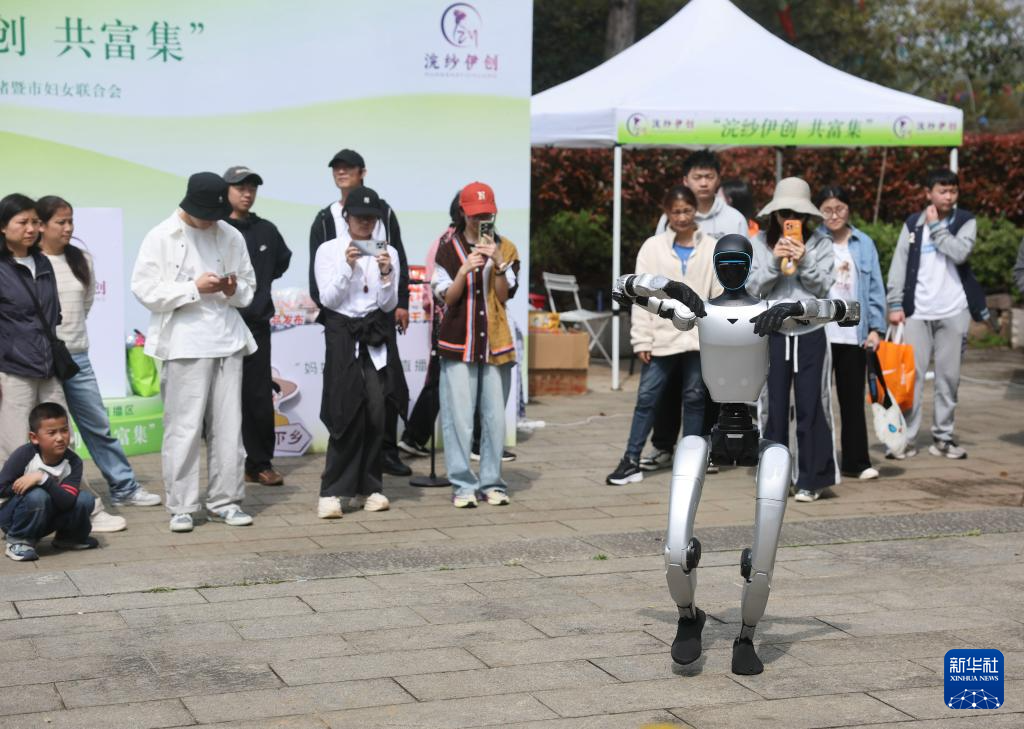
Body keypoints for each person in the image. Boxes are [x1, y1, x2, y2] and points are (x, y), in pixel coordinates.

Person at [131, 172, 258, 533]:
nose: (211, 222)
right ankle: (182, 505)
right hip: (184, 342)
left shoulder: (231, 235)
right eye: (205, 215)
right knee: (183, 428)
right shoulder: (161, 235)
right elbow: (144, 290)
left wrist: (232, 289)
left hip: (227, 339)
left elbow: (248, 287)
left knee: (229, 428)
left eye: (216, 215)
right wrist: (192, 288)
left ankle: (225, 501)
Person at [0, 194, 125, 533]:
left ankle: (86, 509)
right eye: (22, 222)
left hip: (48, 367)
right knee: (16, 446)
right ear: (3, 227)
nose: (31, 229)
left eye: (34, 222)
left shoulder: (42, 263)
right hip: (12, 370)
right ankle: (18, 518)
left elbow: (54, 316)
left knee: (60, 441)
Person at [36, 196, 163, 508]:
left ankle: (124, 487)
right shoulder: (30, 263)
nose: (68, 228)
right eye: (60, 222)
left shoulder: (81, 260)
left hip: (77, 356)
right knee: (53, 432)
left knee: (98, 425)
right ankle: (61, 495)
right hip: (41, 360)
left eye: (70, 221)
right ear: (42, 225)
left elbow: (87, 303)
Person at [607, 186, 722, 485]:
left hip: (698, 338)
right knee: (647, 398)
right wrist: (641, 339)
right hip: (660, 338)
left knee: (695, 398)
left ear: (695, 210)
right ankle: (630, 459)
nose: (682, 217)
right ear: (666, 212)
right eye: (676, 212)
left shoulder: (712, 247)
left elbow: (718, 295)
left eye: (687, 210)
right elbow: (639, 295)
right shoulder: (652, 247)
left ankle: (691, 460)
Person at [309, 149, 411, 477]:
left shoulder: (385, 220)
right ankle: (341, 474)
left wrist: (399, 295)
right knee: (342, 398)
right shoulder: (325, 222)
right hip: (341, 319)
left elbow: (397, 258)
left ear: (362, 172)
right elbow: (321, 282)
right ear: (346, 218)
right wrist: (330, 305)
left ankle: (385, 455)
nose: (342, 173)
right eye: (336, 168)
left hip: (378, 319)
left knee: (383, 393)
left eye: (348, 168)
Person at [646, 150, 748, 472]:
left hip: (715, 316)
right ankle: (663, 446)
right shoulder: (672, 215)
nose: (703, 183)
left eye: (709, 177)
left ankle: (704, 448)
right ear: (686, 180)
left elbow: (748, 265)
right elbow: (659, 261)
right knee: (668, 386)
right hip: (671, 319)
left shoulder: (734, 219)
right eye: (697, 177)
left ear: (718, 180)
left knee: (707, 386)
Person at [748, 177, 837, 502]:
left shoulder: (821, 243)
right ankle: (774, 478)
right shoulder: (759, 242)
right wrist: (775, 262)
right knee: (771, 408)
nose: (791, 219)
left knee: (812, 405)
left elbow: (824, 287)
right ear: (774, 213)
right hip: (773, 332)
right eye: (785, 213)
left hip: (811, 331)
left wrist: (805, 260)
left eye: (798, 214)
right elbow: (752, 289)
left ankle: (811, 479)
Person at [314, 186, 401, 518]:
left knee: (376, 410)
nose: (365, 224)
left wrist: (386, 273)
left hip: (373, 334)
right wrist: (347, 267)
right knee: (344, 410)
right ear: (347, 217)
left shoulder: (387, 251)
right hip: (342, 335)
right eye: (359, 217)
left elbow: (388, 304)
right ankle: (332, 491)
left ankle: (370, 487)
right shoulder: (329, 250)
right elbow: (328, 299)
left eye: (371, 218)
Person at [432, 182, 520, 508]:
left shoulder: (506, 247)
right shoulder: (448, 248)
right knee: (458, 418)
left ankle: (492, 482)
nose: (480, 220)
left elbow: (504, 295)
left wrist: (498, 263)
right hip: (458, 340)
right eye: (474, 215)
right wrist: (464, 271)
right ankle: (462, 485)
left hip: (496, 343)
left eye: (486, 215)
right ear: (462, 213)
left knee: (494, 417)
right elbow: (447, 298)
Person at [886, 169, 981, 460]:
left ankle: (943, 437)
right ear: (929, 193)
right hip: (916, 312)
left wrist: (937, 227)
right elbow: (899, 264)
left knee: (948, 378)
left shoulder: (965, 221)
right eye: (942, 191)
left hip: (953, 310)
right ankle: (905, 439)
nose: (948, 196)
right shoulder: (913, 223)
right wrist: (895, 304)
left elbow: (960, 253)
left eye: (953, 191)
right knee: (910, 379)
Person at [809, 186, 886, 480]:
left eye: (839, 209)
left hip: (854, 334)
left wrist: (876, 329)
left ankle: (857, 461)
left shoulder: (863, 243)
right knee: (816, 400)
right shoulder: (812, 242)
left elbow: (875, 288)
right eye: (827, 210)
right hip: (820, 332)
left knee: (852, 400)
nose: (834, 215)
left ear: (849, 209)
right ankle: (819, 460)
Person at [222, 166, 293, 487]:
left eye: (252, 188)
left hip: (256, 326)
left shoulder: (266, 230)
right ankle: (225, 463)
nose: (247, 193)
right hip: (221, 326)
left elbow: (280, 263)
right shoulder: (215, 228)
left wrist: (258, 291)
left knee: (259, 397)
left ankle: (259, 463)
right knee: (221, 398)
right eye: (240, 187)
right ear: (226, 190)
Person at [0, 402, 98, 561]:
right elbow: (1, 488)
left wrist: (42, 479)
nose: (60, 438)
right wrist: (25, 485)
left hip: (46, 515)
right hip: (13, 518)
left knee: (85, 499)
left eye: (64, 430)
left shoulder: (73, 462)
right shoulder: (24, 455)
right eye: (52, 433)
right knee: (38, 495)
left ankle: (69, 538)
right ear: (34, 438)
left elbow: (67, 502)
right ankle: (18, 540)